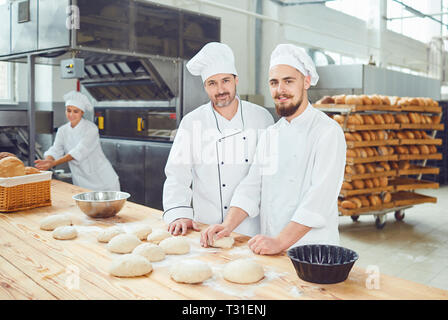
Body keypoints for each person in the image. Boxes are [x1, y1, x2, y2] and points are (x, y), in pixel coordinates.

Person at [200, 44, 346, 254]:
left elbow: (319, 201)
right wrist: (227, 225)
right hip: (271, 247)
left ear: (306, 81)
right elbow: (252, 186)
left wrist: (280, 242)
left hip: (312, 252)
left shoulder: (327, 132)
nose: (280, 90)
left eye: (288, 81)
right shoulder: (271, 133)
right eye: (274, 83)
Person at [163, 42, 274, 236]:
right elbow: (177, 174)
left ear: (236, 80)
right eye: (212, 83)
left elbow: (267, 176)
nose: (220, 89)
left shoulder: (262, 118)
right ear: (205, 86)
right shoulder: (192, 122)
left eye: (225, 80)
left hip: (251, 228)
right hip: (205, 226)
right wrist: (178, 213)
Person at [35, 90, 120, 191]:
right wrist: (48, 160)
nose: (71, 114)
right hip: (81, 181)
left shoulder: (91, 128)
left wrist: (53, 164)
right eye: (68, 110)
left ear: (82, 112)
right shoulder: (63, 130)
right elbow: (55, 149)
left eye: (75, 111)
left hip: (103, 180)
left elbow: (78, 152)